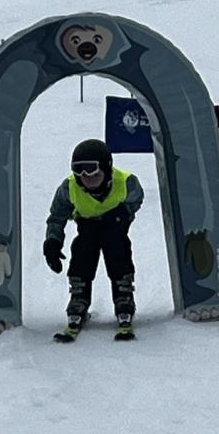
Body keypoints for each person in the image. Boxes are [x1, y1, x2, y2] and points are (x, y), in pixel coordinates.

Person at [43, 139, 144, 340]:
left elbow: (136, 198)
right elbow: (57, 216)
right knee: (83, 249)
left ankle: (123, 292)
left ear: (106, 169)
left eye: (94, 173)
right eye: (80, 173)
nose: (87, 179)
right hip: (87, 225)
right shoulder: (69, 188)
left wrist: (123, 214)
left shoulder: (126, 182)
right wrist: (53, 242)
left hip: (114, 224)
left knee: (117, 247)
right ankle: (79, 295)